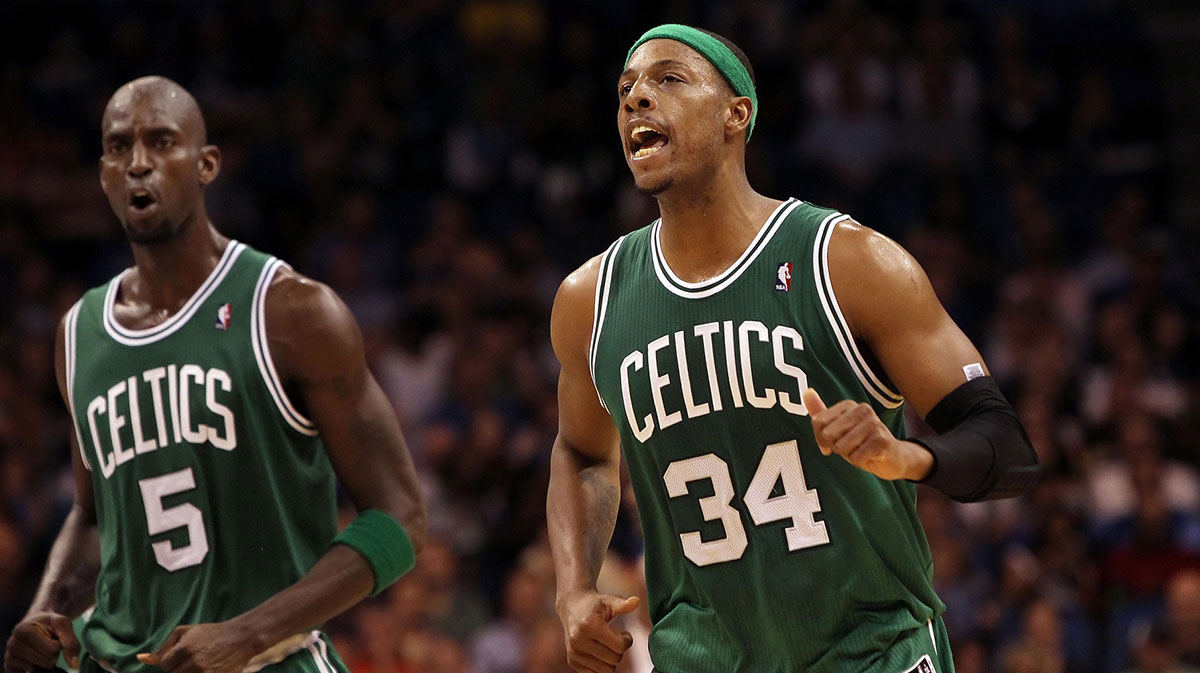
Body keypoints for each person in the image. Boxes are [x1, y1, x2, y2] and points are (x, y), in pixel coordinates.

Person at [547, 25, 1040, 673]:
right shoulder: (591, 300)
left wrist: (905, 455)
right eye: (626, 89)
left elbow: (1006, 447)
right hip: (704, 658)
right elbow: (583, 450)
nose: (637, 97)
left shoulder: (847, 262)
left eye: (668, 78)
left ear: (736, 113)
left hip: (872, 653)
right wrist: (573, 588)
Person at [3, 77, 427, 673]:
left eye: (161, 141)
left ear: (206, 165)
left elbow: (401, 517)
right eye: (119, 147)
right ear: (102, 172)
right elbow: (95, 514)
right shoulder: (78, 335)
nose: (139, 164)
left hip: (271, 661)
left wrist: (247, 635)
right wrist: (45, 611)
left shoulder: (291, 311)